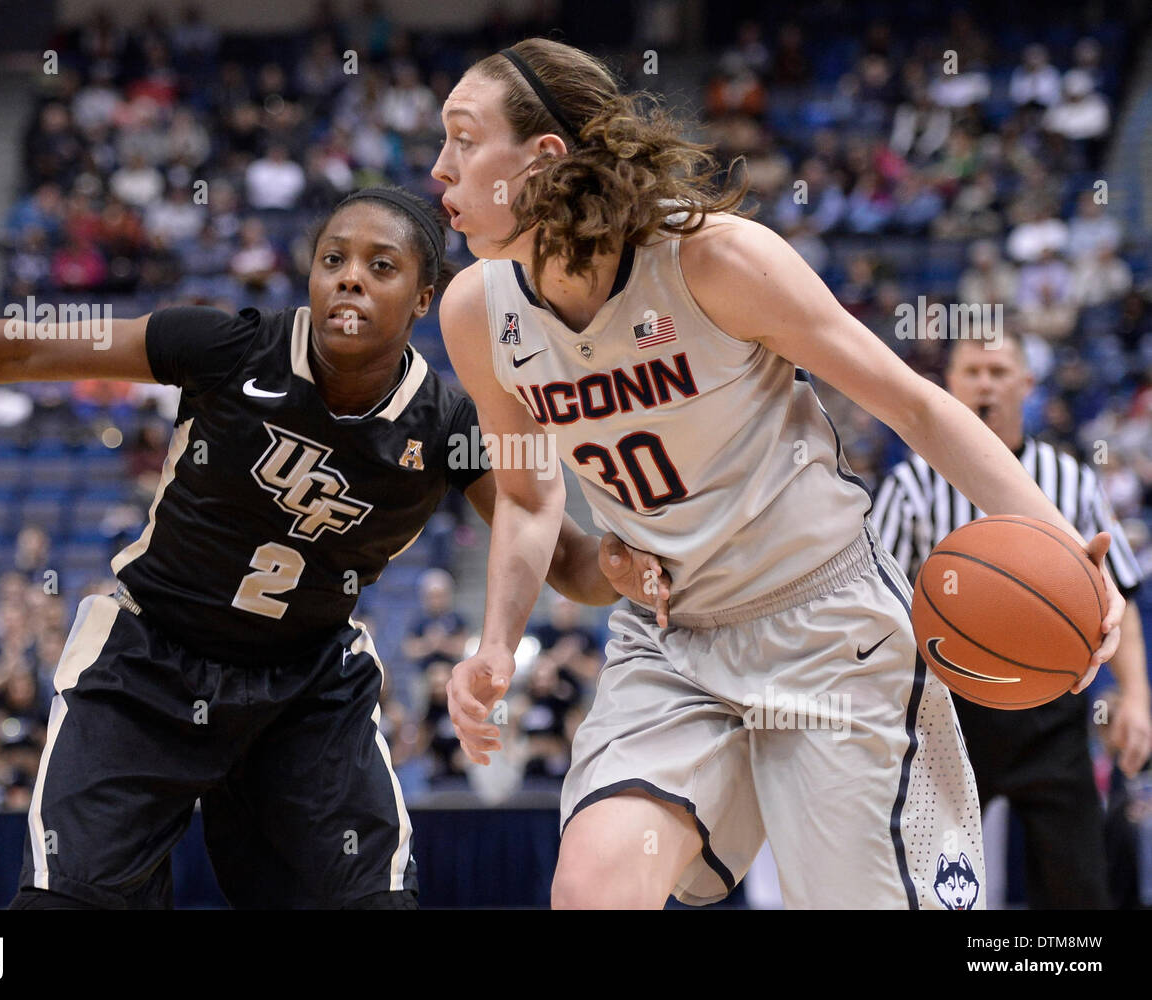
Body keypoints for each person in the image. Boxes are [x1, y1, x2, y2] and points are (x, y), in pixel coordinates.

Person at [430, 38, 1123, 910]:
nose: (439, 166)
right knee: (595, 885)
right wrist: (495, 643)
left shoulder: (714, 259)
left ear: (543, 158)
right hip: (670, 641)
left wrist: (1062, 546)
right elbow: (530, 494)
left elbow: (914, 406)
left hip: (823, 628)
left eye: (463, 137)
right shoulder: (475, 312)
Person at [0, 185, 668, 909]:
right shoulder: (228, 348)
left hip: (305, 686)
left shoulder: (447, 428)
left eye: (381, 266)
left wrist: (628, 568)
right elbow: (25, 348)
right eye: (333, 259)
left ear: (424, 298)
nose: (349, 276)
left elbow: (563, 561)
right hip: (148, 660)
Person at [872, 329, 1152, 907]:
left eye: (999, 371)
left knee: (1078, 891)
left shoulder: (1071, 479)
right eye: (972, 370)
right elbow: (878, 604)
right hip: (947, 711)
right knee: (929, 888)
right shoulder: (912, 483)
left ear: (1027, 383)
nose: (984, 383)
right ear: (948, 383)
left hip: (1051, 710)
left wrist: (1138, 699)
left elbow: (1117, 593)